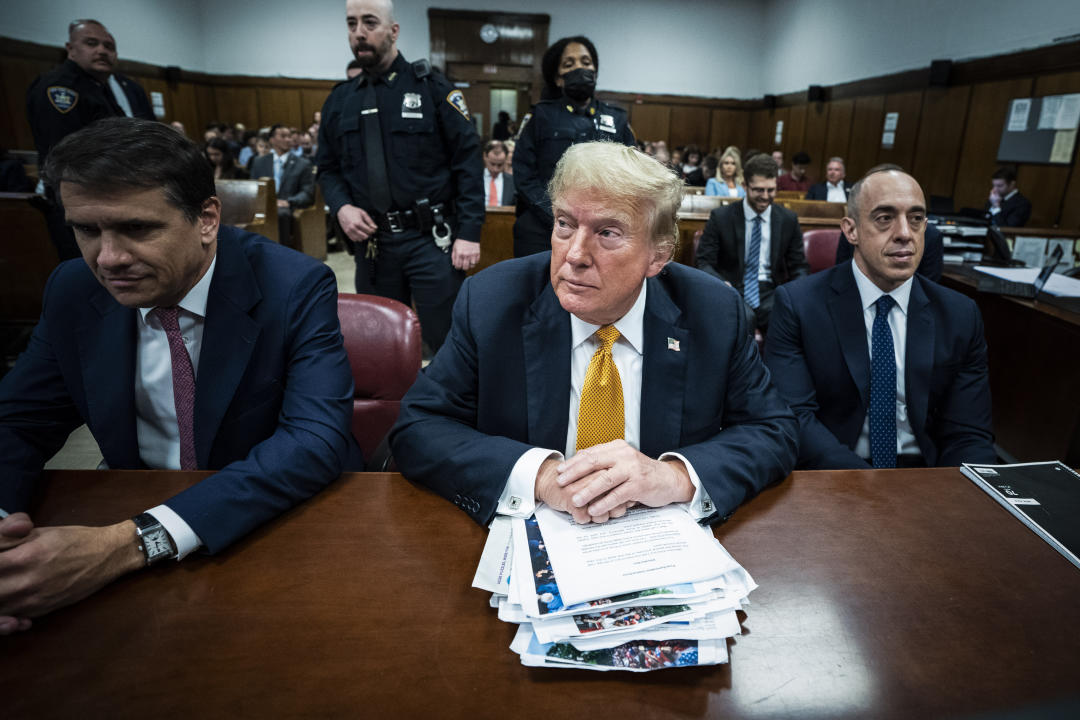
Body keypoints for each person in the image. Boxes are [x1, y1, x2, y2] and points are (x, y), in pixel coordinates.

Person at [0, 117, 360, 634]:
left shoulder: (294, 284)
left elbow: (314, 441)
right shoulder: (73, 289)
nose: (109, 258)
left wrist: (131, 543)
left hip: (269, 522)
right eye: (86, 229)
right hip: (128, 507)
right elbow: (18, 421)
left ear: (207, 218)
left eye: (137, 229)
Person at [390, 141, 797, 528]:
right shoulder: (492, 301)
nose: (575, 255)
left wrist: (672, 477)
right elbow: (419, 426)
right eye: (565, 224)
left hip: (660, 545)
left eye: (608, 233)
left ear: (658, 254)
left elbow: (772, 431)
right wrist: (542, 477)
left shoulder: (712, 313)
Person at [764, 164, 996, 470]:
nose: (904, 234)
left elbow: (968, 435)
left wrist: (957, 500)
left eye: (916, 219)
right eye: (885, 218)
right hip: (833, 474)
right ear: (851, 230)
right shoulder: (799, 305)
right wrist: (874, 490)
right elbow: (795, 419)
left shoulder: (959, 314)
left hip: (926, 478)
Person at [317, 0, 483, 354]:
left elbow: (467, 161)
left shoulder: (434, 89)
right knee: (379, 343)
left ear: (393, 31)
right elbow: (328, 168)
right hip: (375, 244)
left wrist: (469, 232)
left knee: (446, 342)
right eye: (351, 24)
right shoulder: (340, 101)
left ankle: (445, 409)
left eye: (369, 22)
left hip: (431, 240)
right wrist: (341, 207)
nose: (359, 32)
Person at [26, 18, 155, 261]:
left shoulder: (97, 87)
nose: (102, 51)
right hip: (81, 205)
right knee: (91, 277)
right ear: (70, 48)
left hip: (107, 199)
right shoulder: (61, 88)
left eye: (109, 46)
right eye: (91, 43)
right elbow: (67, 158)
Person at [512, 35, 635, 258]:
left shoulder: (616, 119)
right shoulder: (541, 116)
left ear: (595, 73)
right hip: (543, 226)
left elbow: (631, 173)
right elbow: (524, 173)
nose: (580, 68)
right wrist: (558, 215)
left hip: (601, 228)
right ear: (558, 79)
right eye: (569, 64)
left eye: (586, 62)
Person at [695, 153, 808, 332]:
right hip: (732, 288)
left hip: (771, 291)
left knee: (789, 322)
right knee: (743, 320)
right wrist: (720, 284)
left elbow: (799, 266)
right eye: (758, 190)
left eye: (771, 190)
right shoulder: (721, 217)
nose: (765, 196)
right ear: (745, 186)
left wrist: (795, 294)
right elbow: (704, 262)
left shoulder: (788, 219)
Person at [251, 124, 315, 249]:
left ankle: (283, 251)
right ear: (272, 140)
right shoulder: (259, 162)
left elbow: (307, 192)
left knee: (281, 214)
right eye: (283, 136)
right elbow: (253, 187)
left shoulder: (303, 164)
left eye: (289, 136)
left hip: (287, 207)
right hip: (262, 205)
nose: (288, 139)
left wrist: (288, 202)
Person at [482, 139, 515, 207]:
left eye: (500, 165)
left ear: (506, 159)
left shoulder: (513, 181)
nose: (495, 169)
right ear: (485, 157)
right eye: (492, 164)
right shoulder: (474, 179)